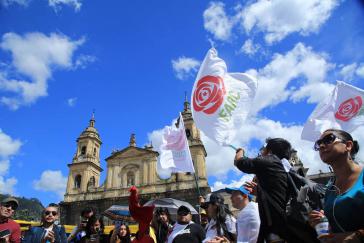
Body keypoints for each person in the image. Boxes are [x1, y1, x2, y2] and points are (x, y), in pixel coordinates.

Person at [234, 138, 300, 242]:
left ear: (270, 151)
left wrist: (240, 152)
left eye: (264, 149)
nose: (262, 152)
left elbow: (240, 163)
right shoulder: (284, 168)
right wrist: (259, 191)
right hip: (283, 228)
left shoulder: (271, 160)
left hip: (277, 230)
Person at [309, 129, 364, 242]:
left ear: (348, 145)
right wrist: (321, 221)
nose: (322, 146)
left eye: (329, 139)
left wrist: (358, 235)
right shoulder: (330, 188)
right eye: (318, 144)